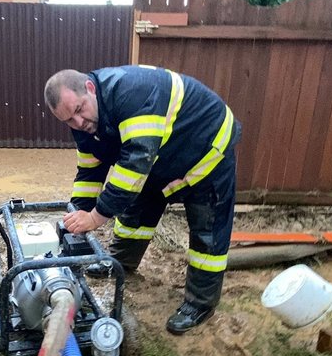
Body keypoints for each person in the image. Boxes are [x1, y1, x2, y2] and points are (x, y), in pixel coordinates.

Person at [44, 65, 242, 334]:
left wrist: (95, 217)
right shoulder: (83, 123)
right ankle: (122, 262)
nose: (78, 123)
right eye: (68, 120)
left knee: (207, 231)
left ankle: (201, 304)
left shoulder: (132, 93)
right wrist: (76, 213)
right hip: (160, 157)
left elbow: (135, 164)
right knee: (135, 210)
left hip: (204, 150)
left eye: (79, 110)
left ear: (90, 88)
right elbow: (90, 170)